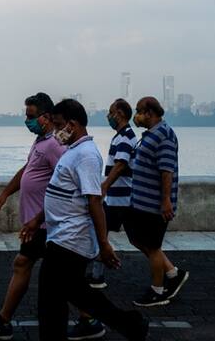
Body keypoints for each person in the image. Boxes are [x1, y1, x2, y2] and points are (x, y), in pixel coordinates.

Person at [0, 93, 105, 340]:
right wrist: (5, 193)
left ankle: (3, 321)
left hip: (47, 224)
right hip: (39, 221)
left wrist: (40, 218)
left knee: (25, 265)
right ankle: (90, 320)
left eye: (31, 116)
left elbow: (65, 183)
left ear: (46, 118)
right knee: (67, 280)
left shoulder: (56, 145)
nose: (27, 120)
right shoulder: (41, 141)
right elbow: (28, 170)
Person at [22, 99, 148, 341]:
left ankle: (129, 324)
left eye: (59, 125)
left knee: (53, 295)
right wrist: (37, 220)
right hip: (60, 236)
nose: (56, 130)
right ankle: (130, 324)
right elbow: (58, 193)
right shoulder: (73, 151)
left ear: (72, 124)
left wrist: (103, 244)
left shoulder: (87, 156)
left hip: (71, 239)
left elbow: (94, 201)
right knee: (73, 293)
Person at [125, 96, 188, 307]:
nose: (137, 115)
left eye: (139, 111)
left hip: (154, 205)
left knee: (152, 247)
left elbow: (166, 171)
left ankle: (157, 291)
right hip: (141, 202)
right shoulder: (151, 135)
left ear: (149, 112)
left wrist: (166, 202)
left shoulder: (165, 135)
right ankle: (173, 273)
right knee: (138, 240)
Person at [89, 99, 138, 290]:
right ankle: (96, 274)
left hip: (120, 199)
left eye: (111, 113)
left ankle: (97, 276)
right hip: (117, 198)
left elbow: (120, 164)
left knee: (101, 233)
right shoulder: (121, 136)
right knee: (103, 233)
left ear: (120, 114)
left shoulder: (126, 137)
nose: (108, 116)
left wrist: (104, 186)